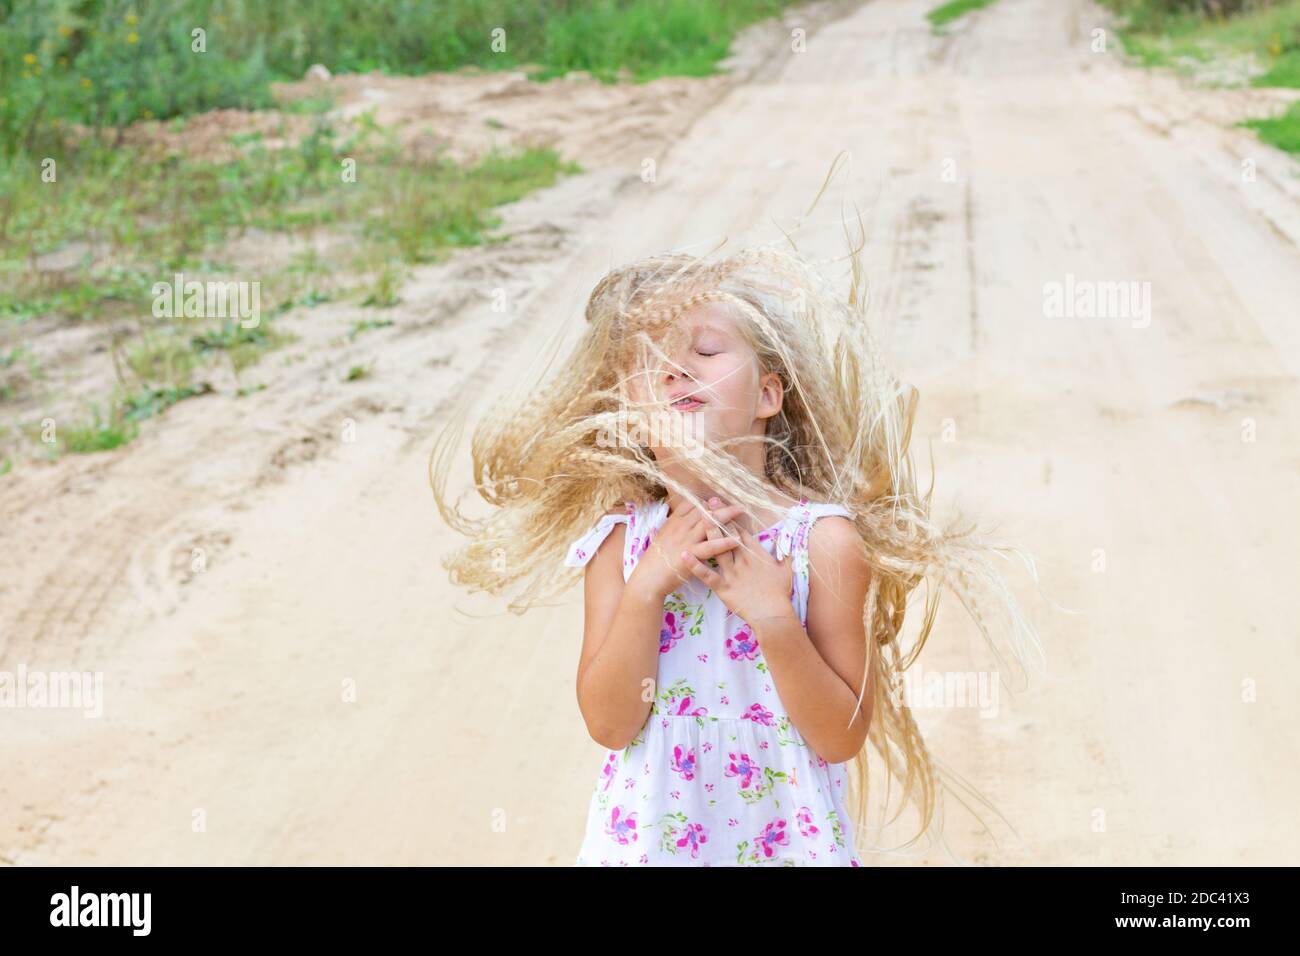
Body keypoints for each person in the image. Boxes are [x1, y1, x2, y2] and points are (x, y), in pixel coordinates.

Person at [430, 239, 1049, 866]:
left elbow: (839, 737)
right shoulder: (621, 545)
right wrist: (646, 590)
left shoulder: (821, 543)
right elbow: (610, 725)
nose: (675, 370)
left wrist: (773, 618)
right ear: (632, 418)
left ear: (767, 397)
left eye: (703, 350)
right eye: (651, 363)